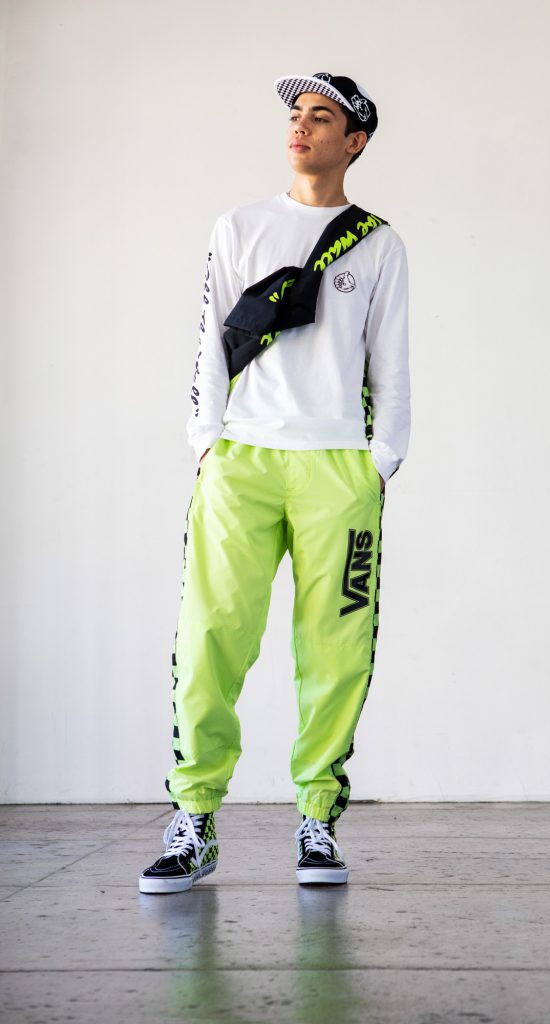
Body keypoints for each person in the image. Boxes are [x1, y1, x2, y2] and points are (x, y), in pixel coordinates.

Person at [139, 72, 410, 894]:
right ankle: (195, 819)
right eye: (296, 113)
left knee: (335, 648)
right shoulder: (240, 226)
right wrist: (206, 444)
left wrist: (381, 459)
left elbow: (391, 359)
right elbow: (208, 341)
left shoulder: (379, 243)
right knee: (211, 638)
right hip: (241, 463)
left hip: (339, 468)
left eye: (321, 116)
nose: (301, 125)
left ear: (354, 141)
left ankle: (317, 820)